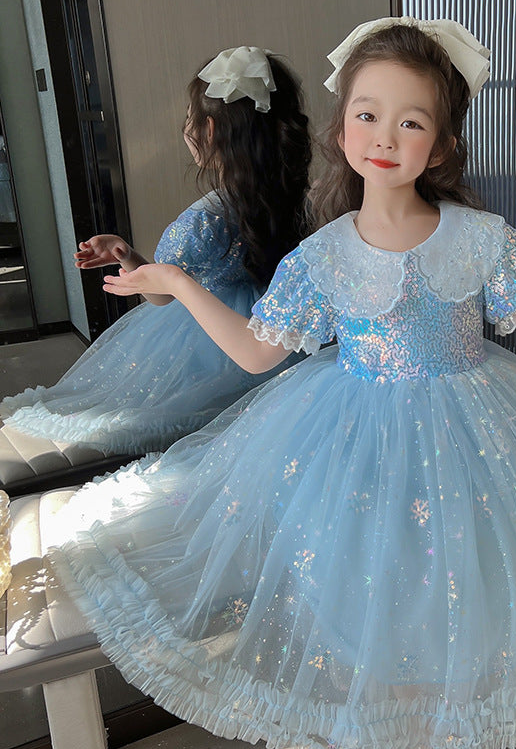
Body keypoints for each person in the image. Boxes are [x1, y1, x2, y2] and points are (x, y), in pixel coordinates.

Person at [35, 19, 516, 749]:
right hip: (353, 440)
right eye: (367, 114)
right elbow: (260, 352)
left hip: (476, 435)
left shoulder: (482, 238)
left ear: (439, 146)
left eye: (411, 121)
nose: (385, 136)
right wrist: (180, 283)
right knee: (377, 591)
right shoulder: (324, 253)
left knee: (457, 585)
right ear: (340, 130)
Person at [0, 46, 311, 457]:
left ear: (211, 131)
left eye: (190, 118)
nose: (185, 128)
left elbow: (163, 294)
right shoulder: (291, 198)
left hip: (203, 342)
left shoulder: (203, 219)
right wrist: (129, 254)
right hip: (264, 337)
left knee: (120, 414)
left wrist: (132, 267)